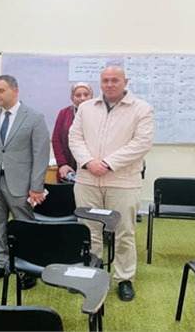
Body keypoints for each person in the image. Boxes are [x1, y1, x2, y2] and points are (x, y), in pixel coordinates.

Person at [69, 66, 153, 302]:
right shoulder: (86, 108)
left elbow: (142, 143)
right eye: (105, 80)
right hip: (87, 179)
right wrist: (88, 162)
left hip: (123, 181)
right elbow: (74, 138)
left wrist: (107, 163)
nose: (109, 84)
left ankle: (124, 278)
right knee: (89, 229)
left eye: (115, 80)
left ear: (125, 81)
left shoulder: (142, 108)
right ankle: (91, 272)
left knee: (124, 232)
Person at [0, 75, 50, 289]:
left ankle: (28, 268)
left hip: (21, 184)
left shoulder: (34, 117)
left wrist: (36, 186)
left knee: (24, 226)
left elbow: (41, 155)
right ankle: (2, 264)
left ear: (15, 91)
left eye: (0, 91)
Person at [52, 82, 93, 181]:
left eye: (86, 95)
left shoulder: (100, 114)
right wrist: (62, 164)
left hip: (92, 167)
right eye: (78, 95)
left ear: (92, 96)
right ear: (72, 97)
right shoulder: (64, 113)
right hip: (68, 166)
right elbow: (57, 140)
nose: (82, 98)